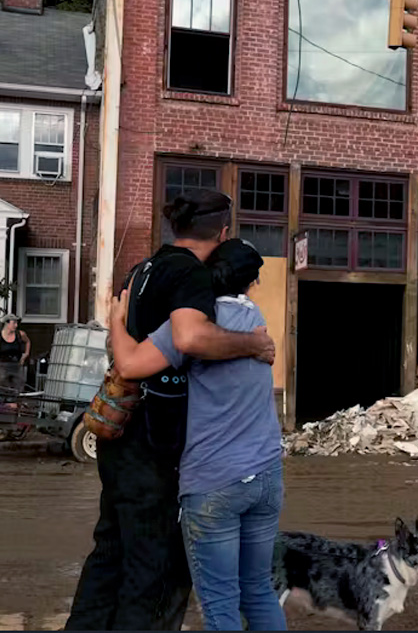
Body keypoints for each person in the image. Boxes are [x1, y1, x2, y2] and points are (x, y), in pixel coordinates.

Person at [64, 191, 277, 631]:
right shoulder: (191, 276)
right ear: (222, 234)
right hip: (159, 447)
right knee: (156, 571)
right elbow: (190, 338)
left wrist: (119, 326)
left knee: (110, 553)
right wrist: (253, 344)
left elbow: (120, 346)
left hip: (118, 436)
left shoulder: (141, 269)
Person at [109, 239, 285, 631]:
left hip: (214, 481)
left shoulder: (191, 327)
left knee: (220, 602)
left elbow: (129, 366)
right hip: (267, 477)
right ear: (252, 282)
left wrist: (116, 320)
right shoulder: (255, 319)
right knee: (257, 589)